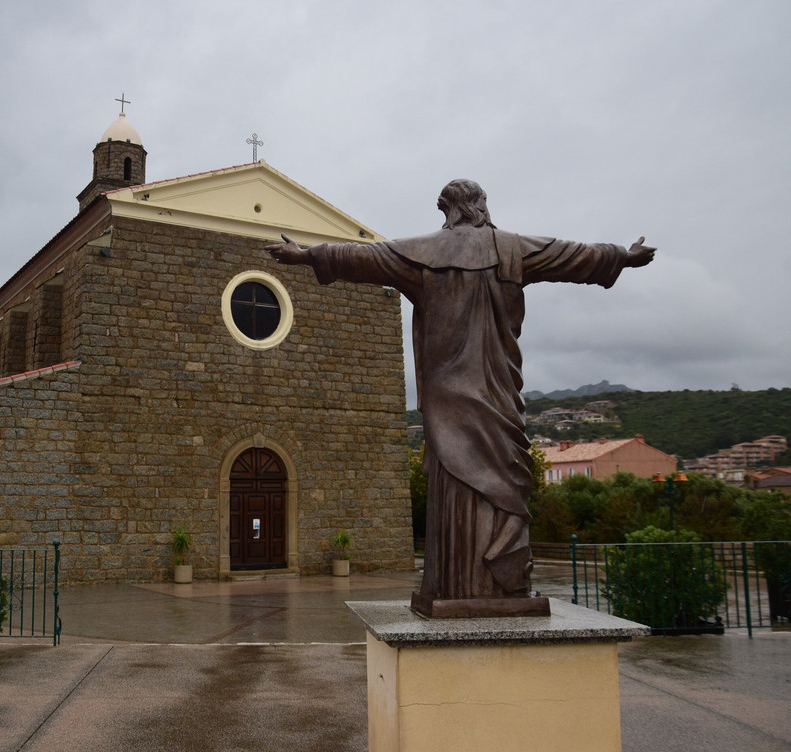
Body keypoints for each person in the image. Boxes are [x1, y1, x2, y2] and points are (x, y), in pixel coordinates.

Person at [266, 179, 655, 617]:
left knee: (457, 477)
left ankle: (458, 583)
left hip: (449, 393)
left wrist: (309, 254)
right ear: (480, 206)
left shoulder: (422, 254)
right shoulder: (513, 249)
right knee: (503, 475)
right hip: (496, 394)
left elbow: (366, 257)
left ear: (447, 210)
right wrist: (621, 255)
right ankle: (496, 578)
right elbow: (572, 254)